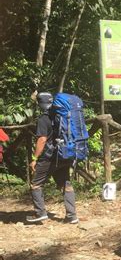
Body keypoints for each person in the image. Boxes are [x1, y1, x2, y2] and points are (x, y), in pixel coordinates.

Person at [26, 92, 79, 224]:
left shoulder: (44, 118)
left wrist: (34, 158)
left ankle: (40, 213)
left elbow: (42, 140)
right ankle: (72, 216)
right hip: (64, 154)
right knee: (65, 184)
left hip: (49, 157)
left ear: (40, 104)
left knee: (36, 184)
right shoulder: (62, 115)